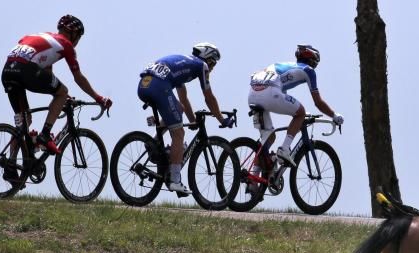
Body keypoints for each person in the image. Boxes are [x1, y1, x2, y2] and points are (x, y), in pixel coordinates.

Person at [0, 15, 111, 177]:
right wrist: (98, 97)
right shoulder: (65, 44)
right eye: (79, 36)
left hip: (8, 72)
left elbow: (48, 75)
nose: (78, 41)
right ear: (71, 33)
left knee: (24, 122)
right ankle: (45, 135)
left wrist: (61, 97)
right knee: (63, 91)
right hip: (26, 70)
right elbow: (78, 77)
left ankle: (11, 166)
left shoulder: (42, 38)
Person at [137, 43, 234, 196]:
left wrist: (193, 120)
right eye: (214, 63)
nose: (213, 67)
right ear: (208, 58)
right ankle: (175, 180)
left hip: (144, 84)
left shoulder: (184, 64)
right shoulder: (201, 66)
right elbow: (209, 97)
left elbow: (183, 99)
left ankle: (154, 143)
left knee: (178, 109)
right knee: (179, 134)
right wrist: (222, 120)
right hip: (159, 86)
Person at [247, 44, 343, 173]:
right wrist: (334, 115)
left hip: (253, 95)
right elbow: (318, 102)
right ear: (312, 60)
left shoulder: (283, 66)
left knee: (268, 138)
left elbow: (281, 94)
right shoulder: (309, 70)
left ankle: (253, 180)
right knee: (300, 113)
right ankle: (284, 149)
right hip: (270, 93)